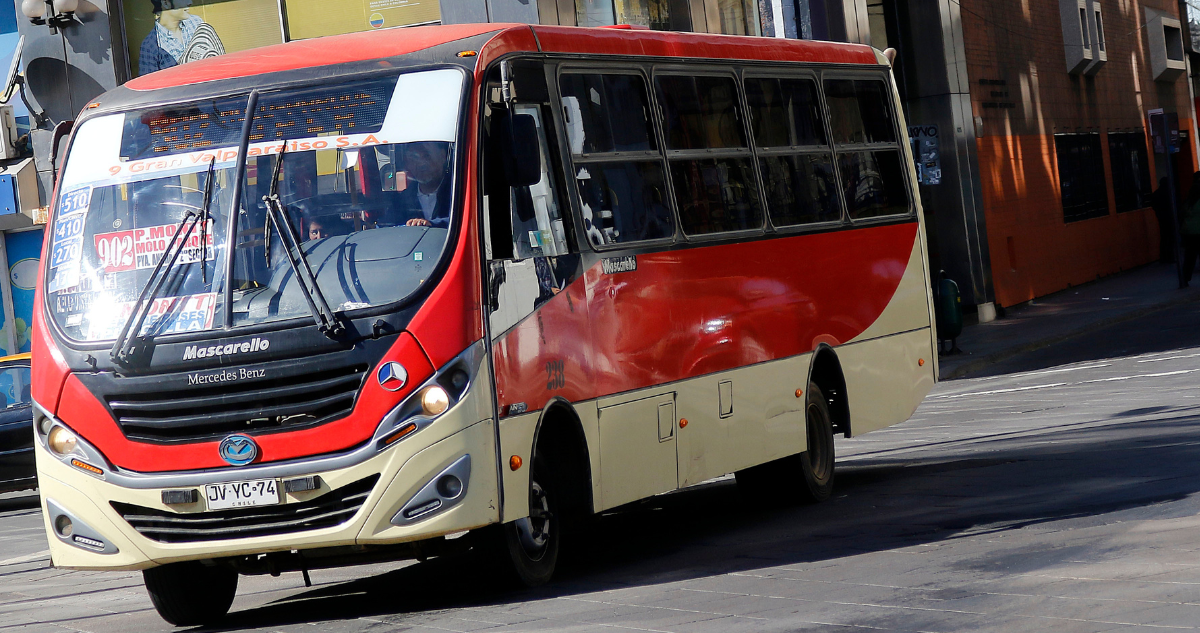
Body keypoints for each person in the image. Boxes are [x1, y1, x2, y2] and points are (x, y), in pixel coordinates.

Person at [138, 0, 222, 76]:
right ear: (166, 3)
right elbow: (150, 88)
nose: (190, 2)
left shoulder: (196, 23)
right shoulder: (150, 45)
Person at [400, 142, 452, 228]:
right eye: (414, 158)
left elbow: (467, 219)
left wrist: (432, 224)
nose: (421, 164)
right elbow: (387, 225)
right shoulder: (401, 200)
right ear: (408, 164)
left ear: (443, 156)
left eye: (426, 156)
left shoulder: (459, 191)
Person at [1181, 172, 1200, 287]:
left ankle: (1185, 278)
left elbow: (1182, 215)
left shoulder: (1187, 203)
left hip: (1188, 232)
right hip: (1198, 231)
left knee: (1189, 257)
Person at [1151, 176, 1176, 264]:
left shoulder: (1156, 194)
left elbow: (1154, 206)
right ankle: (1170, 256)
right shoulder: (1169, 193)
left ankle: (1164, 256)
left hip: (1161, 217)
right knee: (1171, 237)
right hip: (1169, 217)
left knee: (1164, 237)